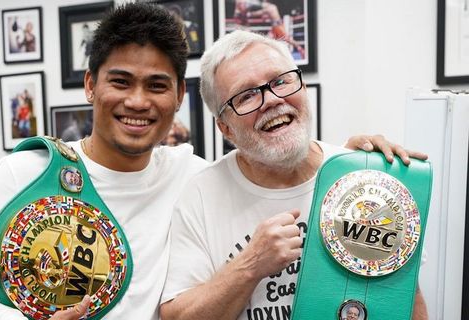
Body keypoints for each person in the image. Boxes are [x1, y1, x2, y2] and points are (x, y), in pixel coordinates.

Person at [0, 4, 422, 320]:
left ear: (177, 98)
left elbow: (272, 152)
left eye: (157, 86)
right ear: (90, 85)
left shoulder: (189, 171)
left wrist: (356, 166)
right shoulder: (29, 171)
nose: (138, 101)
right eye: (121, 81)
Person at [159, 30, 429, 320]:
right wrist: (250, 265)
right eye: (247, 95)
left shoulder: (361, 178)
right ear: (225, 128)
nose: (272, 100)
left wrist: (371, 171)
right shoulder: (200, 195)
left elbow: (405, 301)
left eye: (280, 81)